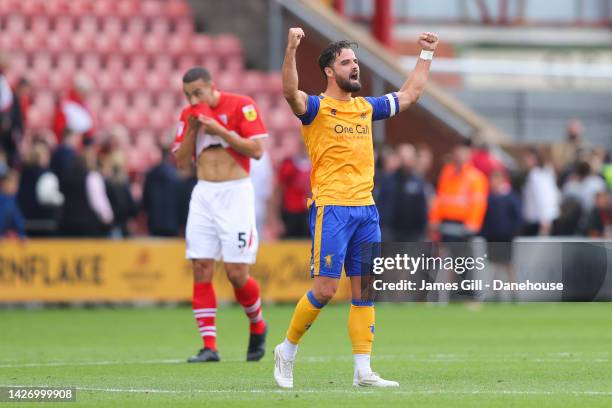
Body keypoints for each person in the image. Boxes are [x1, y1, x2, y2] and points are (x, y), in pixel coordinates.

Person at [274, 27, 439, 389]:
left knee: (366, 289)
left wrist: (426, 54)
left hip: (366, 210)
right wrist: (290, 50)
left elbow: (409, 95)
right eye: (346, 62)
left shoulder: (366, 108)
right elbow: (290, 92)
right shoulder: (317, 108)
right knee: (326, 289)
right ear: (330, 72)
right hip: (332, 207)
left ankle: (363, 369)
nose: (355, 67)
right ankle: (287, 350)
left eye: (356, 61)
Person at [173, 67, 269, 363]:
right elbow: (180, 163)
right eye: (188, 95)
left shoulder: (241, 105)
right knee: (201, 267)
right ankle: (209, 346)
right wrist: (192, 129)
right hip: (204, 194)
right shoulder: (188, 115)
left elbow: (257, 150)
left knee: (236, 274)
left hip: (235, 193)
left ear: (211, 87)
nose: (192, 99)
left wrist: (221, 131)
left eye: (197, 93)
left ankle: (258, 324)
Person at [142, 145, 182, 237]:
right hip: (173, 224)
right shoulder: (176, 175)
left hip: (154, 223)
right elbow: (181, 201)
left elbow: (145, 202)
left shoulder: (150, 174)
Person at [521, 147, 560, 236]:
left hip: (540, 220)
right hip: (544, 218)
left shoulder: (536, 175)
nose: (525, 160)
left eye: (528, 157)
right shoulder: (544, 173)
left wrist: (545, 219)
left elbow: (542, 197)